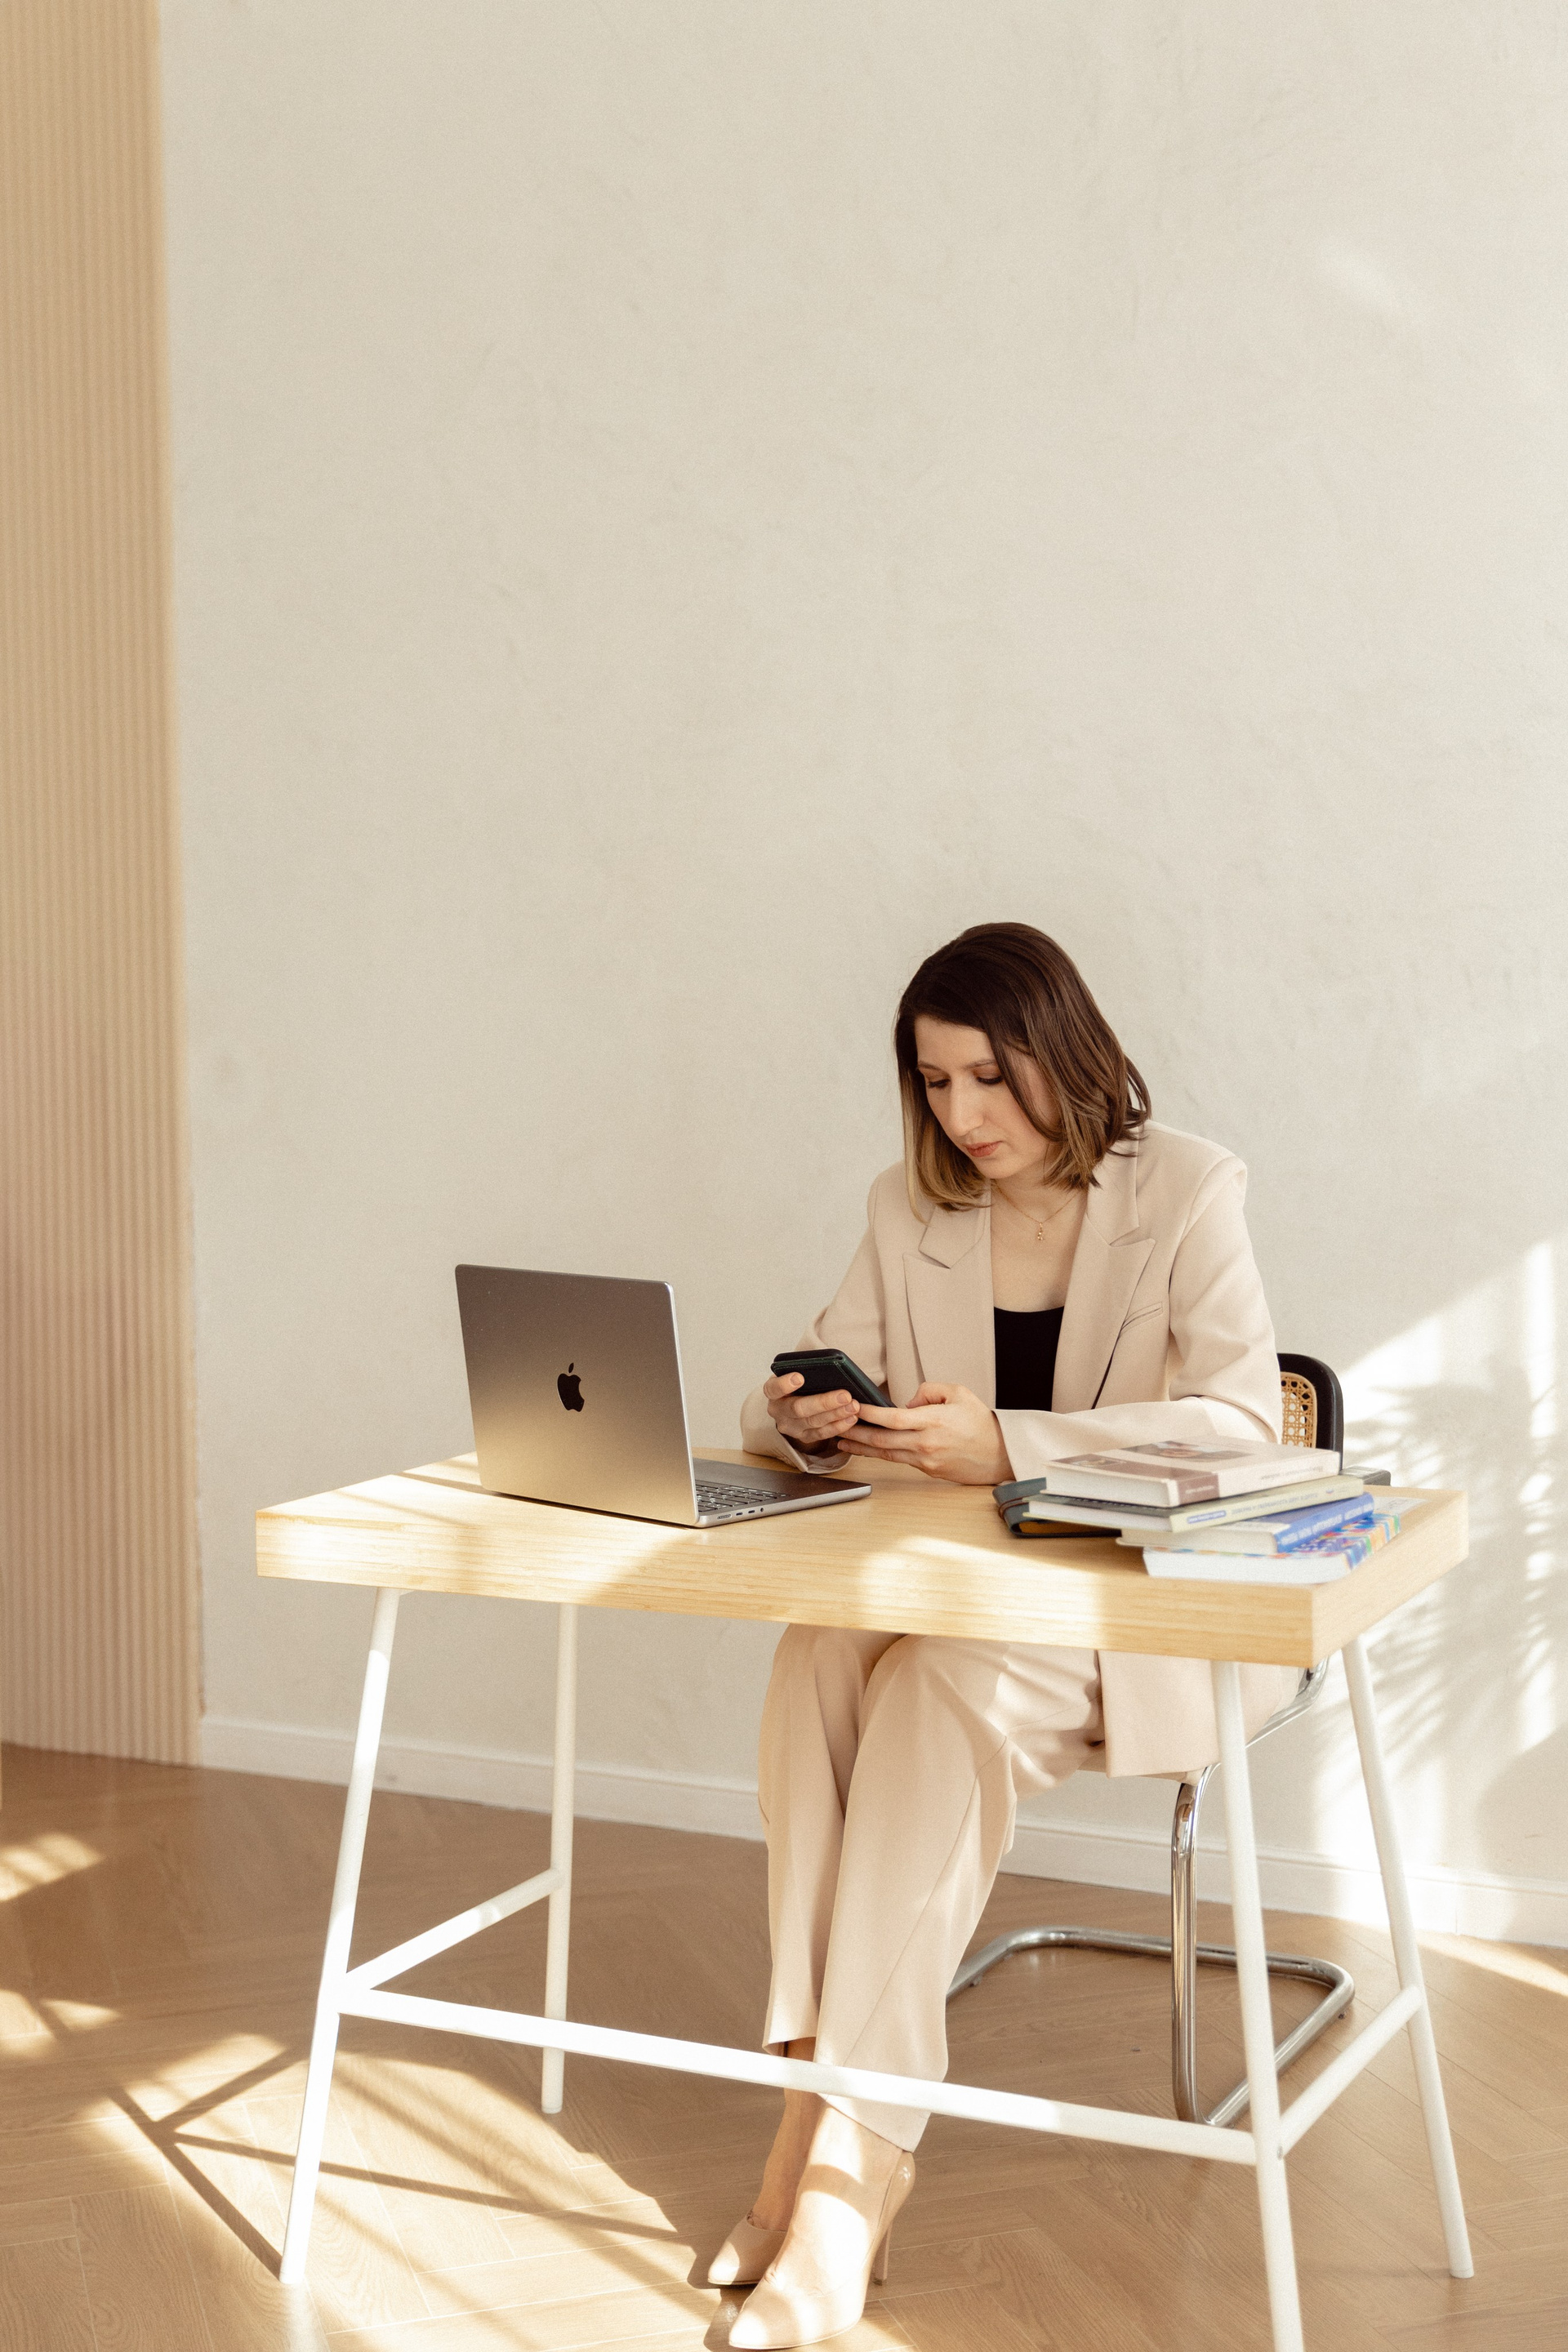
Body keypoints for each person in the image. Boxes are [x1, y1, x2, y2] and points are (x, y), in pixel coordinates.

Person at [714, 920, 1296, 2350]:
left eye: (990, 1076)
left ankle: (848, 2174)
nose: (963, 1116)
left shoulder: (1190, 1188)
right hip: (960, 1590)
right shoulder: (907, 1205)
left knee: (932, 1691)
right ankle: (813, 2105)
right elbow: (795, 1395)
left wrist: (1014, 1447)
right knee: (817, 1655)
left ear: (1064, 1054)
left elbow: (1244, 1425)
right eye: (934, 1083)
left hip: (1138, 1611)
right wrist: (800, 1417)